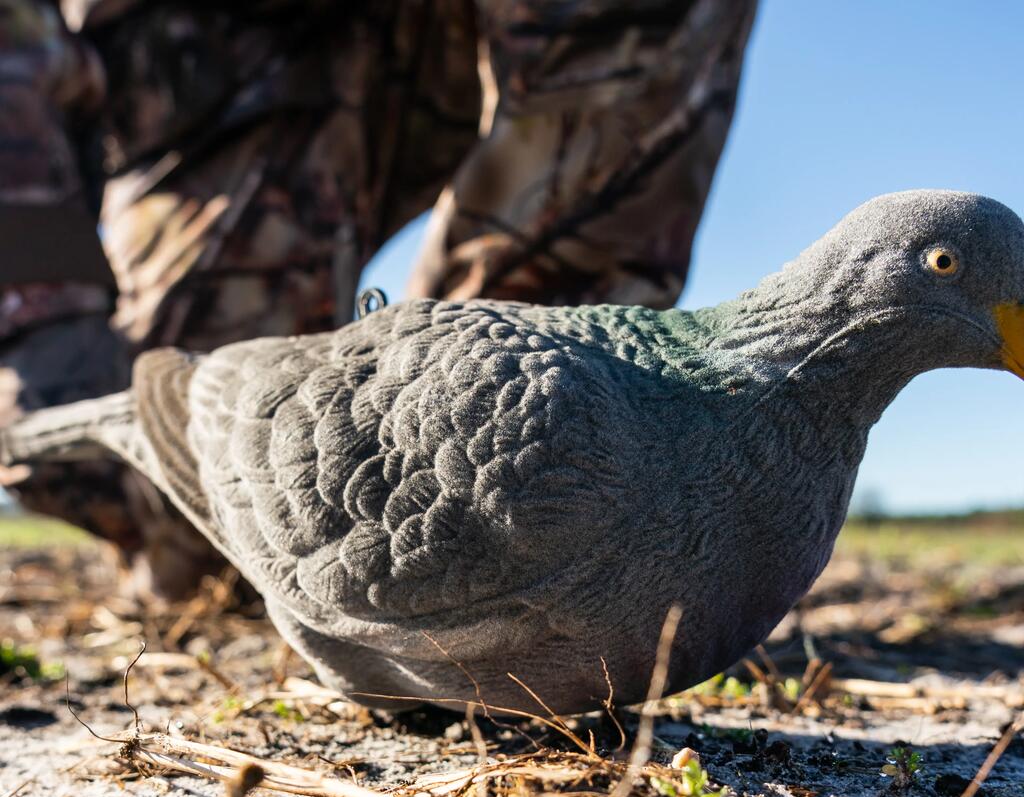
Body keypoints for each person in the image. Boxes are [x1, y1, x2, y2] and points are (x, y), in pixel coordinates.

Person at [0, 0, 756, 597]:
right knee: (209, 509)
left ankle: (515, 502)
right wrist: (43, 307)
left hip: (475, 38)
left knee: (499, 477)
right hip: (212, 58)